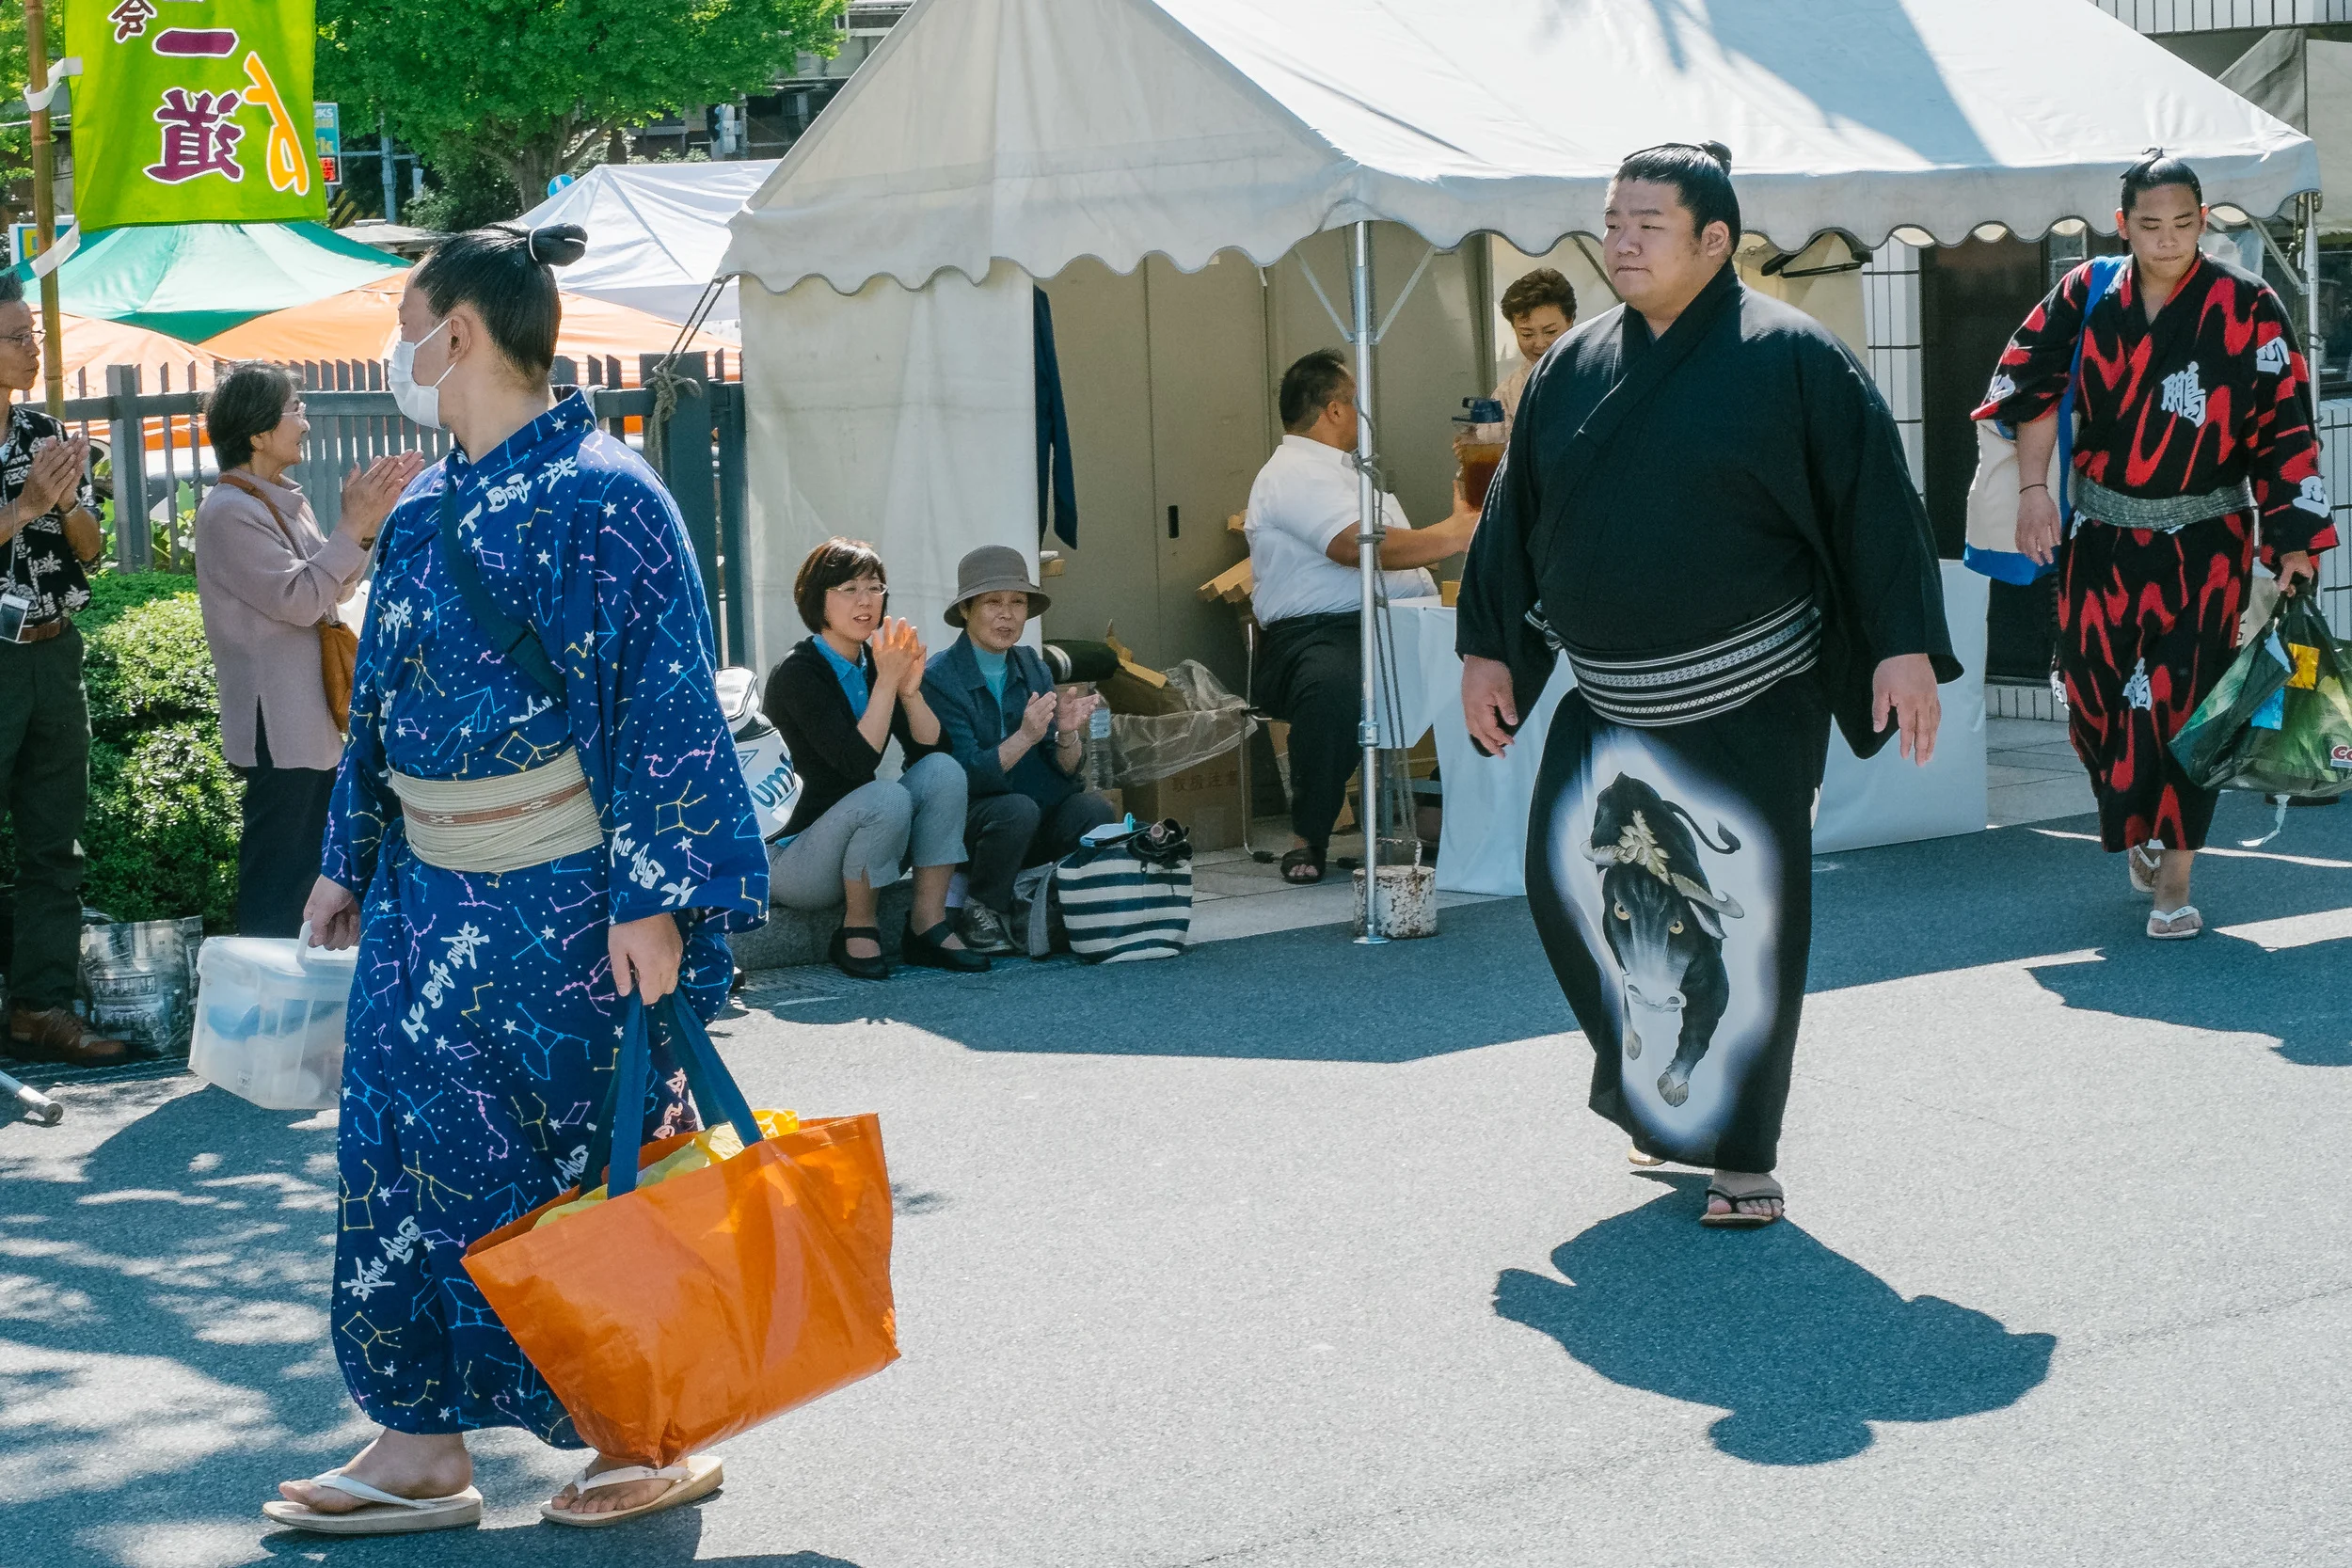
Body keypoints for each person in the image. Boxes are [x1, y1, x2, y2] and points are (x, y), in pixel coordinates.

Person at [267, 222, 767, 1535]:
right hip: (428, 898)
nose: (397, 349)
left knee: (588, 1169)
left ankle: (640, 1424)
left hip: (566, 902)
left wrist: (658, 895)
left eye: (404, 318)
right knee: (399, 1161)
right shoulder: (426, 505)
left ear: (460, 334)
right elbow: (380, 700)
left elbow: (665, 707)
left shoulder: (613, 494)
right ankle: (421, 1440)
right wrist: (347, 859)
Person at [1457, 143, 1955, 1227]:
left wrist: (1901, 645)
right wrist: (1490, 646)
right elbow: (1517, 519)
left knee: (1741, 919)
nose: (1619, 240)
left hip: (1750, 701)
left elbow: (1876, 507)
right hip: (1606, 703)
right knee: (1568, 894)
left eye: (1646, 223)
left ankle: (1740, 1147)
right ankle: (1660, 1087)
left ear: (1714, 241)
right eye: (1612, 220)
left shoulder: (1795, 357)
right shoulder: (1570, 363)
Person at [1978, 151, 2332, 941]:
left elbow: (2286, 428)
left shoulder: (2249, 304)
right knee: (2097, 703)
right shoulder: (2085, 291)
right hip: (2101, 535)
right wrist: (2035, 494)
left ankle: (2176, 881)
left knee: (2183, 709)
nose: (2167, 240)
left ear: (2204, 222)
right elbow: (2030, 389)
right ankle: (2132, 821)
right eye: (2150, 225)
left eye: (2182, 224)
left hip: (2207, 542)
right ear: (2121, 225)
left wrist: (2295, 541)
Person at [194, 363, 423, 937]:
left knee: (309, 867)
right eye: (294, 409)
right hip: (279, 720)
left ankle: (299, 1002)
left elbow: (334, 584)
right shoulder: (228, 511)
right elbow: (300, 599)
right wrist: (353, 525)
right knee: (281, 869)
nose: (306, 421)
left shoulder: (279, 499)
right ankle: (263, 1006)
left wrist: (363, 527)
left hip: (309, 714)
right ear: (257, 434)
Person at [1245, 348, 1481, 882]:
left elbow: (1402, 547)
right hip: (1321, 633)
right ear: (1333, 409)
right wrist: (1454, 533)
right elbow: (1356, 546)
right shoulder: (1293, 472)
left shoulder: (1353, 474)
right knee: (1338, 684)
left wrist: (1455, 524)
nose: (1362, 417)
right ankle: (1310, 835)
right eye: (1356, 404)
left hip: (1402, 620)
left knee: (1493, 663)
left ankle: (1442, 811)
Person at [761, 537, 987, 980]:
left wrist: (908, 691)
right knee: (884, 795)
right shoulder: (798, 671)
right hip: (795, 860)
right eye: (849, 589)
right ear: (817, 600)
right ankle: (857, 928)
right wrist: (886, 684)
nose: (866, 601)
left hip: (864, 840)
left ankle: (927, 923)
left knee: (944, 773)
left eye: (875, 588)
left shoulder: (874, 662)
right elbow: (854, 764)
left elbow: (933, 752)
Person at [0, 273, 123, 1066]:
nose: (32, 347)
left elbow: (91, 551)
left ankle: (40, 1007)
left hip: (54, 648)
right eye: (18, 338)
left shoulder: (43, 431)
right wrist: (21, 508)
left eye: (32, 337)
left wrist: (67, 499)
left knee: (55, 843)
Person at [921, 545, 1116, 955]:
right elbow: (964, 776)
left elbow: (1063, 770)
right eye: (992, 602)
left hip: (1032, 814)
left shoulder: (1032, 665)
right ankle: (981, 908)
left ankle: (1058, 902)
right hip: (972, 827)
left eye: (1018, 603)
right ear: (966, 610)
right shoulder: (940, 677)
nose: (1006, 614)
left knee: (1094, 810)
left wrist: (1065, 733)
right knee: (1016, 809)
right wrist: (1024, 736)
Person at [1494, 267, 1579, 431]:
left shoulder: (1601, 374)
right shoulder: (1508, 393)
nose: (1539, 344)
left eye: (1550, 332)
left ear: (1570, 322)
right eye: (1527, 334)